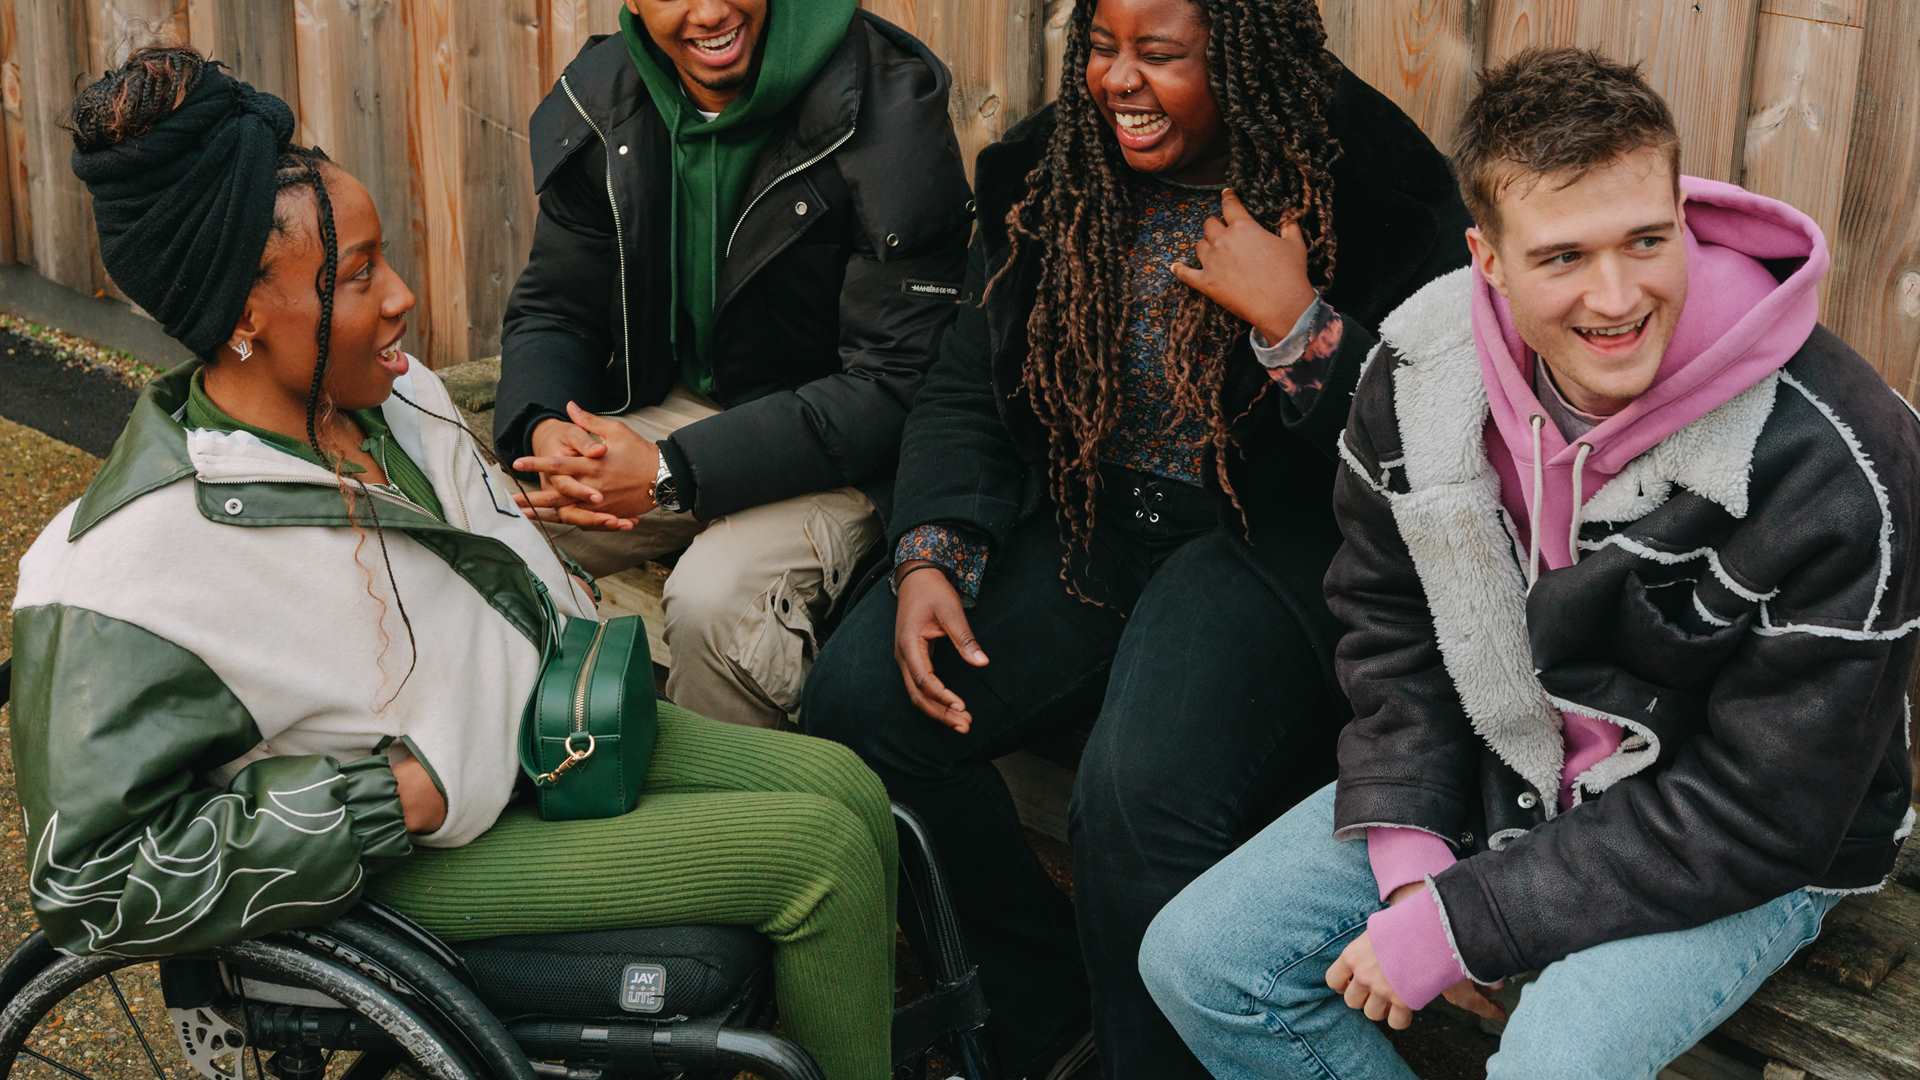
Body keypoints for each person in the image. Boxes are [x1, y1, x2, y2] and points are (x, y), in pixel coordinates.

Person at [9, 48, 899, 1079]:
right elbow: (92, 878)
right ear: (244, 317)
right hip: (416, 860)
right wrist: (389, 802)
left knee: (848, 789)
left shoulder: (399, 402)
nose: (403, 299)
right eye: (355, 276)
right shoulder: (126, 561)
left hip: (544, 738)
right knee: (820, 863)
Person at [1139, 47, 1919, 1078]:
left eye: (1647, 240)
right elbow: (1393, 628)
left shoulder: (1840, 459)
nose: (1616, 296)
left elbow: (1768, 809)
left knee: (1554, 1065)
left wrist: (1474, 920)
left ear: (1682, 219)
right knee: (1203, 961)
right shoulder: (1419, 376)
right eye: (1562, 257)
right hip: (1508, 761)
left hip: (1742, 838)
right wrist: (1414, 856)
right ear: (1489, 261)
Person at [801, 0, 1471, 1074]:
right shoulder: (1049, 167)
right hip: (1087, 521)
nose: (1119, 80)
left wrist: (1299, 327)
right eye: (1102, 49)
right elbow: (971, 380)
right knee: (862, 705)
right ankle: (1039, 1010)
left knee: (1137, 796)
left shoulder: (1374, 185)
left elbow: (1441, 441)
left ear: (1241, 55)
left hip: (1262, 546)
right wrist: (932, 543)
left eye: (1159, 55)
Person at [495, 0, 972, 728]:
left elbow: (895, 386)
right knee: (492, 521)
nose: (711, 11)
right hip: (691, 412)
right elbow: (557, 306)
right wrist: (544, 430)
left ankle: (743, 826)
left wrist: (665, 472)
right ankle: (534, 776)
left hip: (848, 450)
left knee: (717, 602)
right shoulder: (608, 94)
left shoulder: (884, 105)